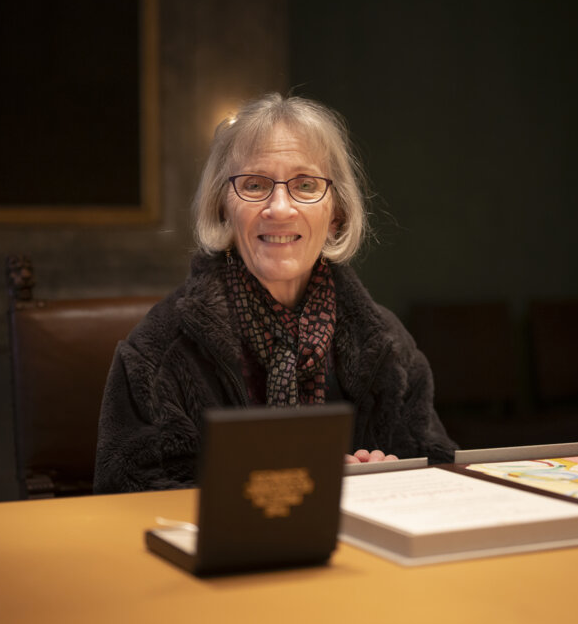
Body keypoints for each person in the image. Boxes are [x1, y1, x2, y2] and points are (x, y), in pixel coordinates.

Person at [94, 92, 457, 492]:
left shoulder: (387, 343)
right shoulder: (157, 351)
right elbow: (124, 497)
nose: (279, 208)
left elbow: (438, 472)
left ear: (337, 213)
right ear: (222, 209)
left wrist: (386, 480)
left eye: (305, 185)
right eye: (254, 184)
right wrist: (293, 485)